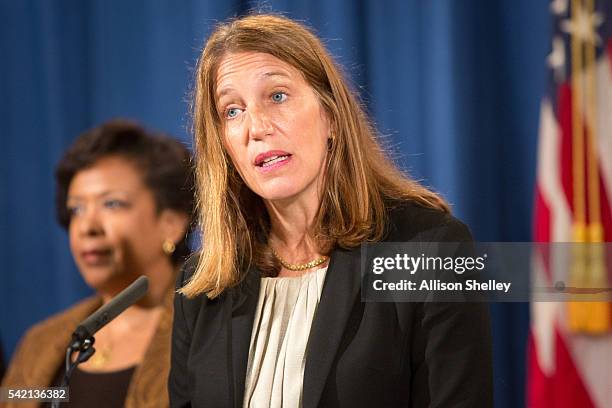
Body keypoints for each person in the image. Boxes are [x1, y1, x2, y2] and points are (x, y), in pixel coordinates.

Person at [169, 14, 492, 408]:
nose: (256, 126)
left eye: (277, 96)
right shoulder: (203, 285)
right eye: (232, 111)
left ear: (332, 117)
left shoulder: (428, 251)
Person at [2, 120, 195, 408]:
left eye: (112, 204)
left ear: (172, 224)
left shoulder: (206, 334)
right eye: (77, 209)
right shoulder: (40, 341)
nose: (86, 227)